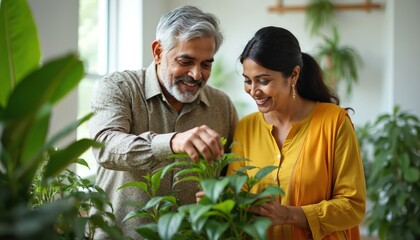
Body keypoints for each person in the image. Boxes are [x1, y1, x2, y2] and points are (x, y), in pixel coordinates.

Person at [89, 5, 238, 239]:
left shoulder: (222, 106)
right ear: (158, 51)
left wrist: (222, 196)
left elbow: (232, 174)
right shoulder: (119, 87)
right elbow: (105, 146)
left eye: (206, 64)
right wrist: (171, 143)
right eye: (185, 61)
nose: (196, 74)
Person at [226, 26, 366, 240]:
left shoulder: (334, 122)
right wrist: (215, 203)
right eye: (247, 80)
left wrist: (292, 215)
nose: (253, 91)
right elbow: (236, 197)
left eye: (264, 81)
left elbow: (353, 206)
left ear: (293, 75)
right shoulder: (246, 128)